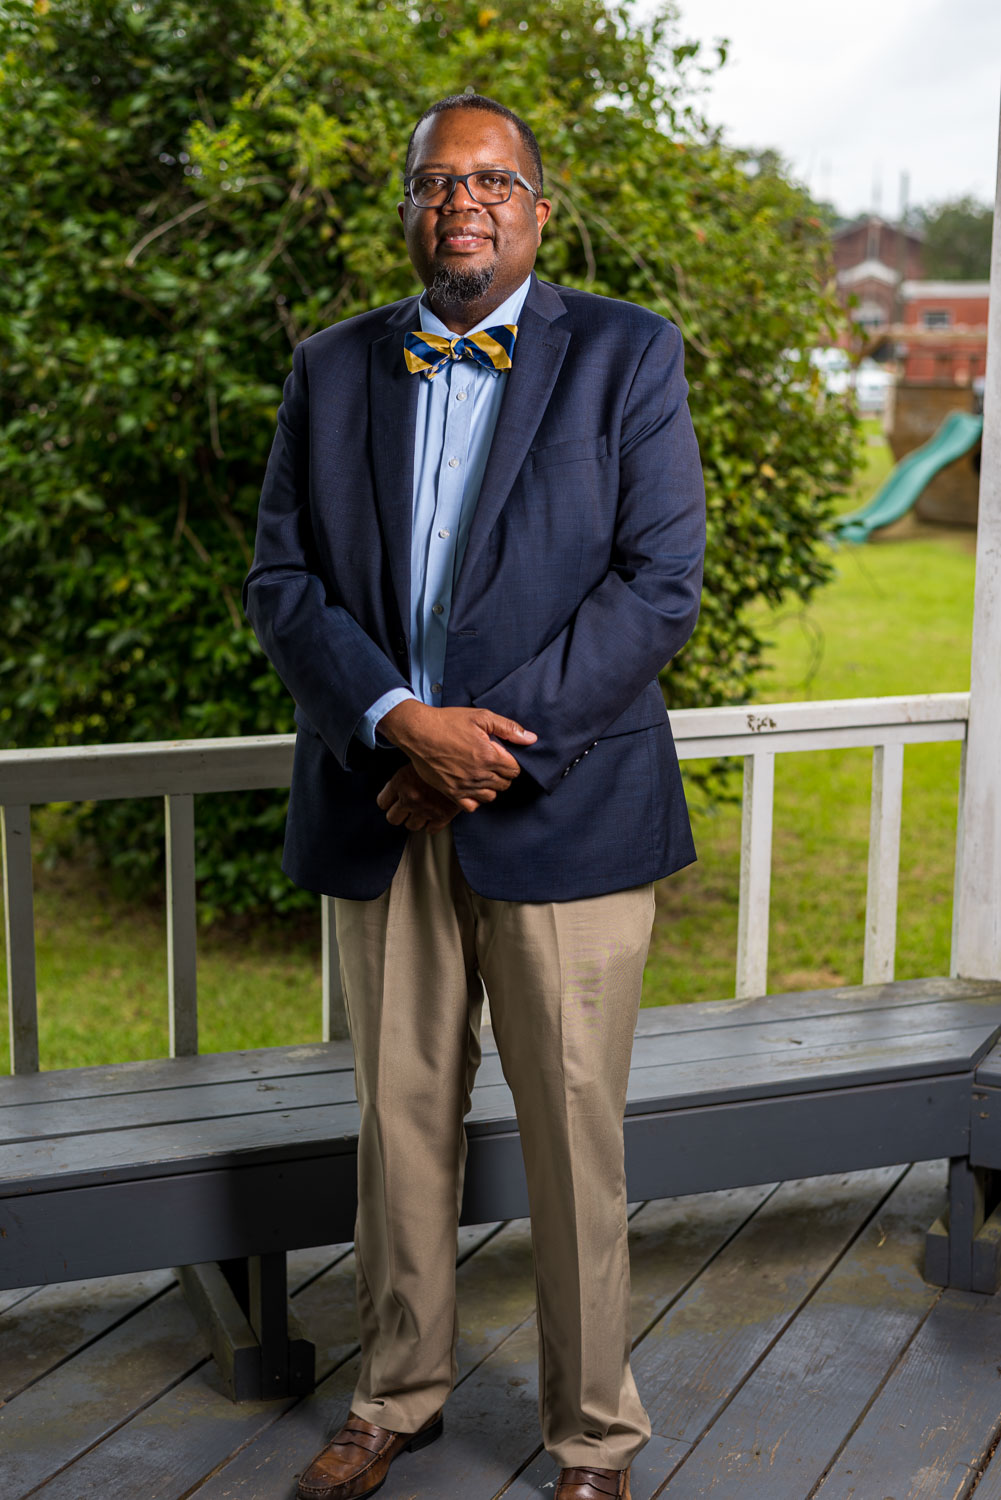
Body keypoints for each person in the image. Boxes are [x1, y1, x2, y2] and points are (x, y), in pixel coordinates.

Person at [244, 93, 705, 1500]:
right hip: (384, 811)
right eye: (439, 178)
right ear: (410, 207)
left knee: (575, 1141)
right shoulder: (331, 370)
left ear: (537, 208)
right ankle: (396, 1396)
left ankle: (591, 1437)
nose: (465, 199)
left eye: (494, 180)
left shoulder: (625, 354)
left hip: (562, 816)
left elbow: (653, 587)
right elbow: (284, 584)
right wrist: (398, 725)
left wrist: (477, 754)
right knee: (399, 1128)